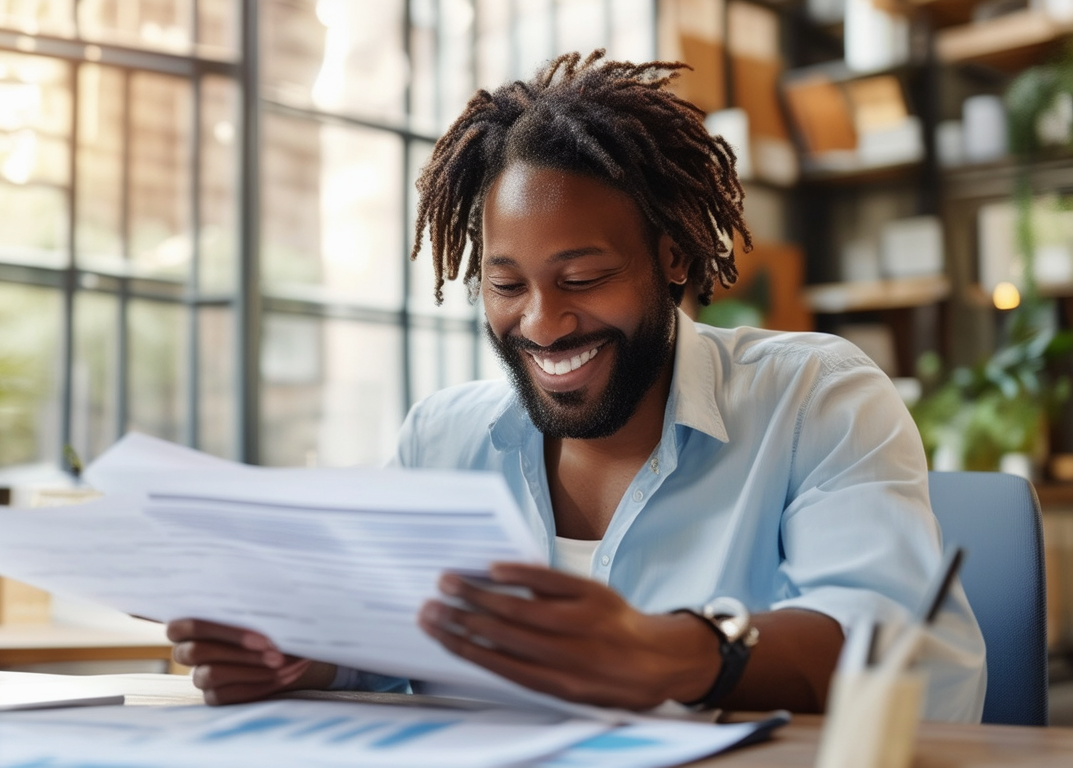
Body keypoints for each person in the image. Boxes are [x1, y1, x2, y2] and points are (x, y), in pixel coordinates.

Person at [167, 51, 986, 720]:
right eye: (506, 284)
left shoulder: (816, 400)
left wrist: (669, 651)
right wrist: (308, 661)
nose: (544, 324)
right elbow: (394, 657)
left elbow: (897, 655)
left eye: (584, 276)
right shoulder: (440, 439)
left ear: (671, 257)